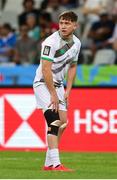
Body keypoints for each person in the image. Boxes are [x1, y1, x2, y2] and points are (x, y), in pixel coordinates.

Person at [33, 11, 81, 171]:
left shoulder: (77, 43)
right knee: (54, 121)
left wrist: (68, 90)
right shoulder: (50, 42)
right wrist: (53, 94)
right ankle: (56, 164)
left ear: (75, 25)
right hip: (43, 83)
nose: (63, 26)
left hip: (59, 85)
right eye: (61, 23)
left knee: (63, 123)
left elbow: (73, 66)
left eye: (67, 23)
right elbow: (46, 69)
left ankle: (48, 163)